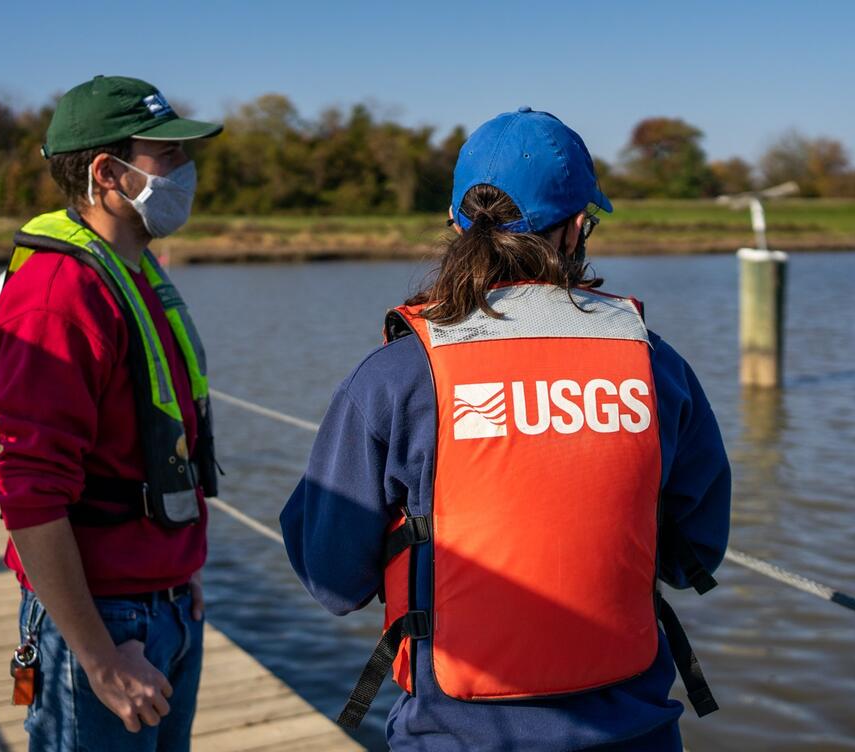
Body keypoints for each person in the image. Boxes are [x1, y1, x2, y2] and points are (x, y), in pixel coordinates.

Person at [280, 107, 732, 751]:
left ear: (456, 226)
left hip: (454, 736)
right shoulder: (655, 364)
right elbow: (695, 558)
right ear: (577, 228)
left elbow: (332, 578)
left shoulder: (396, 375)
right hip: (635, 732)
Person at [0, 75, 223, 751]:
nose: (185, 171)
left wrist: (181, 568)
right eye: (165, 156)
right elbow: (30, 493)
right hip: (103, 627)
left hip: (165, 605)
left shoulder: (133, 270)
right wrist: (100, 659)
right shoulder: (58, 297)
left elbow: (151, 445)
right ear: (108, 173)